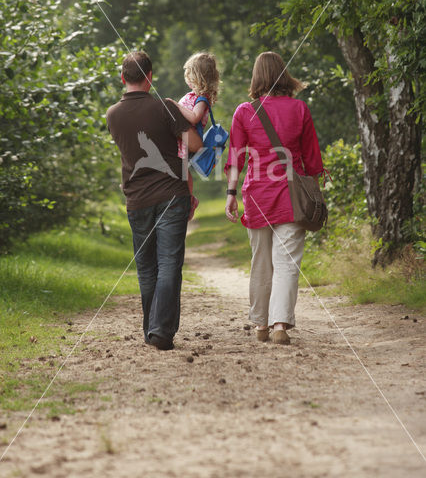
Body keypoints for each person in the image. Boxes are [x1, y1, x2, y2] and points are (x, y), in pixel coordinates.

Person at [224, 51, 324, 345]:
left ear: (256, 77)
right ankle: (279, 323)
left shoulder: (244, 111)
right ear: (284, 76)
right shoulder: (299, 109)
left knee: (261, 261)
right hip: (291, 196)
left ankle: (260, 325)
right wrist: (314, 197)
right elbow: (312, 159)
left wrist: (231, 194)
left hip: (257, 195)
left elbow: (236, 158)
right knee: (287, 263)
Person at [106, 51, 203, 351]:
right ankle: (161, 331)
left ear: (123, 78)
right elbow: (196, 146)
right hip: (172, 196)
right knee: (169, 263)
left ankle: (151, 328)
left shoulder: (112, 114)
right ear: (150, 77)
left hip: (136, 200)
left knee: (146, 268)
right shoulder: (165, 108)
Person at [167, 52, 220, 220]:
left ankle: (189, 201)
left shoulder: (202, 98)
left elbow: (195, 117)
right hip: (182, 138)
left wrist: (175, 105)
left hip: (189, 140)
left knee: (183, 171)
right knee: (182, 170)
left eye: (189, 75)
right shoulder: (195, 96)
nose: (186, 79)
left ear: (198, 77)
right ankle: (187, 199)